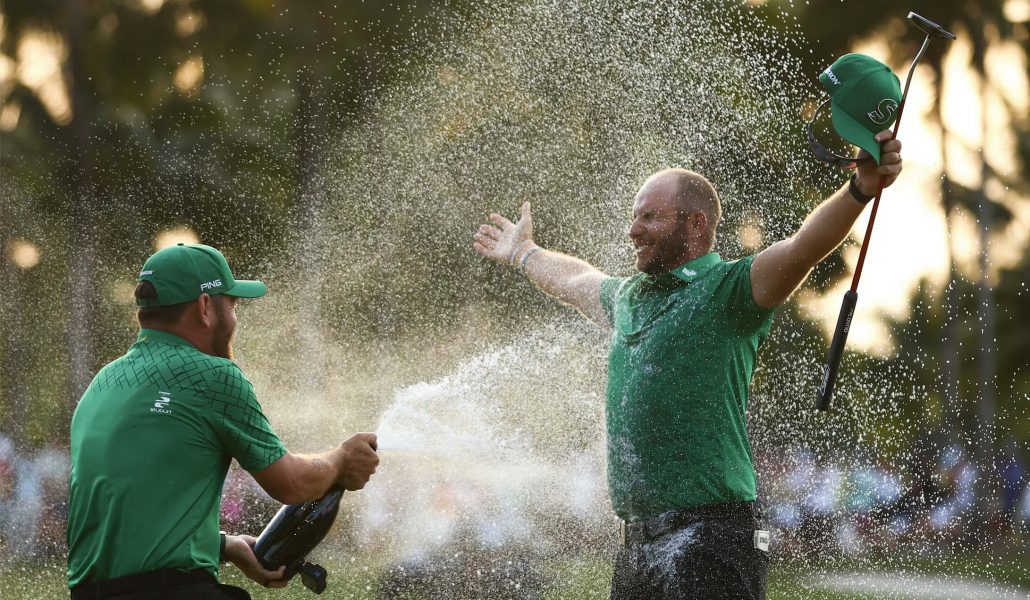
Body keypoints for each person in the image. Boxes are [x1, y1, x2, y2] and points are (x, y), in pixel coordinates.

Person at [473, 128, 902, 597]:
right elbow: (576, 278)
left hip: (712, 535)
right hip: (637, 544)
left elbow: (802, 248)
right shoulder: (629, 298)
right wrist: (523, 252)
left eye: (650, 217)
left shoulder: (731, 290)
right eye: (635, 217)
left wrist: (859, 189)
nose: (634, 230)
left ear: (696, 224)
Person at [67, 243, 380, 599]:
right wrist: (341, 459)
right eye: (231, 305)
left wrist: (224, 546)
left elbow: (126, 505)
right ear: (205, 306)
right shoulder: (212, 375)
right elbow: (292, 484)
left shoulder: (103, 384)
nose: (234, 318)